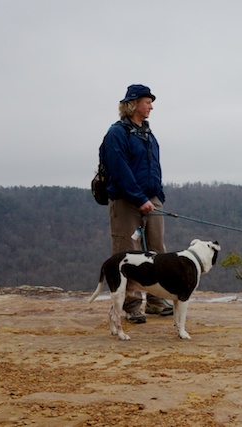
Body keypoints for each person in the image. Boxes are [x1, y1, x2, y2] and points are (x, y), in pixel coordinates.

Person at [101, 84, 173, 323]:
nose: (151, 107)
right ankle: (131, 306)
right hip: (125, 201)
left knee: (157, 251)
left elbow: (154, 168)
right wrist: (139, 198)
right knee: (128, 253)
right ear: (133, 104)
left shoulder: (148, 133)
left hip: (152, 200)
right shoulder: (117, 133)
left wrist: (156, 197)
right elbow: (119, 169)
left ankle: (156, 301)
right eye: (147, 102)